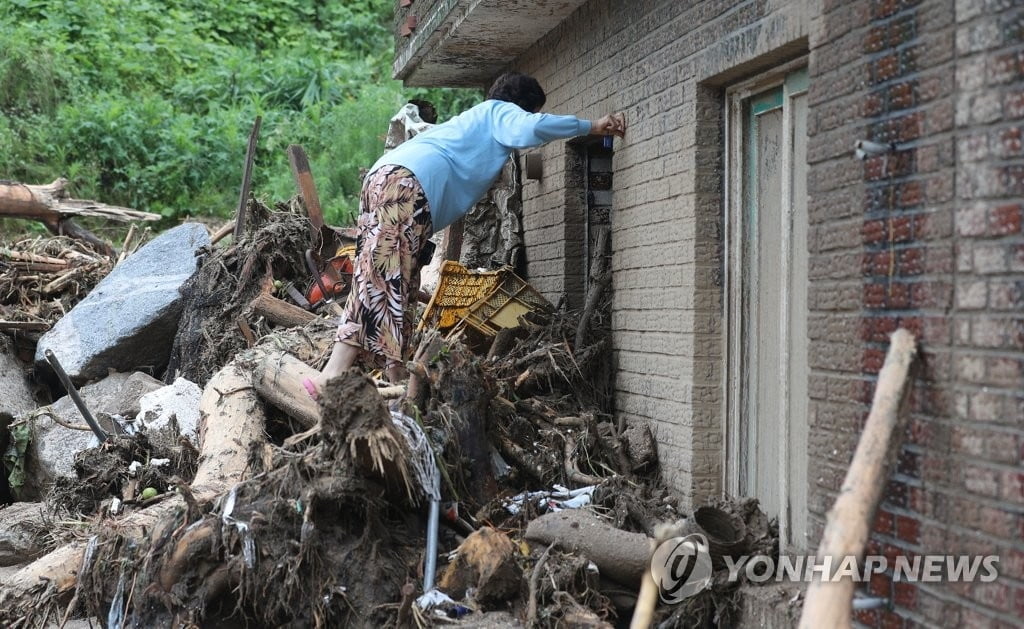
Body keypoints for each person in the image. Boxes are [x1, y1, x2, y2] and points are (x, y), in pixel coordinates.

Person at [303, 72, 626, 398]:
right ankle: (336, 375)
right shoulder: (498, 112)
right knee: (385, 279)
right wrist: (592, 126)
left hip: (385, 179)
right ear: (520, 105)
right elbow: (532, 127)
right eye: (528, 111)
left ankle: (391, 372)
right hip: (405, 186)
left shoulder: (471, 123)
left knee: (387, 276)